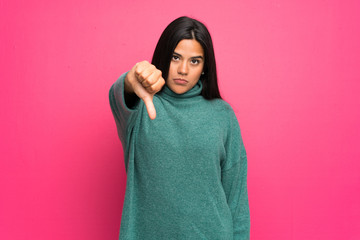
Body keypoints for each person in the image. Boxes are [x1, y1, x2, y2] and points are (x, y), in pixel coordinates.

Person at [109, 16, 250, 240]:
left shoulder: (223, 115)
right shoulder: (142, 106)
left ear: (205, 67)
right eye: (176, 57)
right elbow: (118, 96)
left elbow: (237, 199)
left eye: (194, 61)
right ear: (164, 57)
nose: (183, 69)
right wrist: (131, 80)